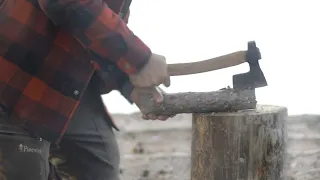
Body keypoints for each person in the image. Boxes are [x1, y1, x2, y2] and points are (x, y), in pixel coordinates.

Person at [0, 0, 175, 179]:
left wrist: (127, 81)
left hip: (62, 80)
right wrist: (139, 59)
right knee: (24, 170)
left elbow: (97, 22)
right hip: (11, 78)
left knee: (99, 166)